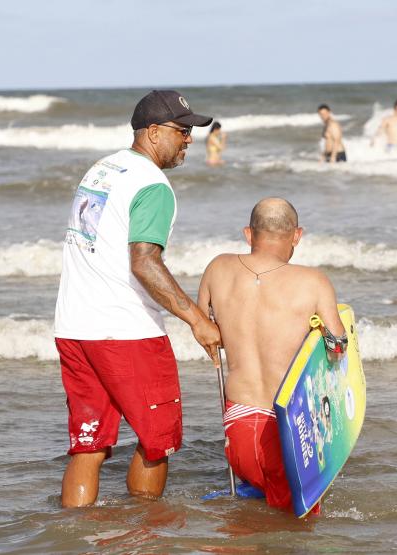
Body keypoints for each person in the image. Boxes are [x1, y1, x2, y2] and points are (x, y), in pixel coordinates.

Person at [53, 90, 221, 508]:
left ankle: (76, 536)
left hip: (75, 327)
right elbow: (144, 263)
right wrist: (197, 319)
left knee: (88, 443)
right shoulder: (153, 185)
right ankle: (147, 534)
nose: (189, 140)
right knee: (157, 440)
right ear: (152, 131)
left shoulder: (102, 169)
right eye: (181, 131)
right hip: (126, 332)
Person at [196, 197, 346, 514]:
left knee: (246, 534)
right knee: (295, 530)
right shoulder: (313, 281)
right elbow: (337, 349)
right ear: (297, 235)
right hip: (288, 431)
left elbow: (207, 333)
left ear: (248, 234)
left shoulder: (217, 268)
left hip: (237, 430)